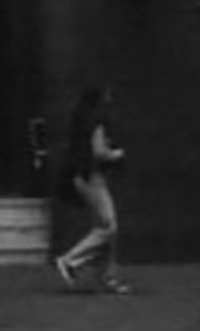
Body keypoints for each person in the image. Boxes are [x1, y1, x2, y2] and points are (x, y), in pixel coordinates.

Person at [53, 86, 132, 295]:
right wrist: (116, 154)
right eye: (107, 97)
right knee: (108, 227)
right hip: (92, 178)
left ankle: (107, 277)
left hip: (84, 177)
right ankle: (70, 260)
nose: (110, 100)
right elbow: (98, 152)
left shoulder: (81, 120)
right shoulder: (96, 121)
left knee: (103, 228)